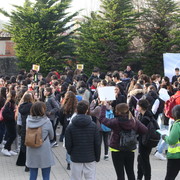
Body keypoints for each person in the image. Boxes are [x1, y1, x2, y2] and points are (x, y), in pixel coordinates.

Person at [99, 102, 147, 180]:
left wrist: (103, 106)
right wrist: (134, 133)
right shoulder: (134, 121)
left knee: (120, 174)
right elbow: (145, 130)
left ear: (117, 112)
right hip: (130, 149)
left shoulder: (115, 122)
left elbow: (102, 119)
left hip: (116, 149)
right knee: (130, 172)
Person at [65, 100, 101, 180]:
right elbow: (97, 143)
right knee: (90, 178)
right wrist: (97, 156)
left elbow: (68, 143)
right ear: (87, 110)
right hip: (90, 157)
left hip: (76, 157)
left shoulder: (70, 126)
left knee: (75, 178)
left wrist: (71, 153)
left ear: (76, 110)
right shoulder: (93, 126)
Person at [26, 102, 55, 180]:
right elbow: (52, 136)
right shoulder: (47, 121)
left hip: (31, 148)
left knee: (32, 174)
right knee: (46, 175)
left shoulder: (28, 121)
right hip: (44, 149)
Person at [137, 99, 154, 180]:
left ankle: (147, 177)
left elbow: (138, 129)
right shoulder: (145, 115)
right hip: (144, 141)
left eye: (138, 105)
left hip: (145, 142)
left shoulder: (146, 118)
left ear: (141, 107)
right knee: (141, 160)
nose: (137, 107)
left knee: (144, 161)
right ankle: (139, 177)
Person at [162, 105, 180, 180]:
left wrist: (164, 137)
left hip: (176, 155)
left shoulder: (177, 125)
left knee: (169, 177)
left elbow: (172, 141)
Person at [1, 90, 17, 156]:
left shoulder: (11, 102)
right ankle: (5, 148)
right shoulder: (9, 103)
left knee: (11, 135)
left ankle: (8, 149)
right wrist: (12, 116)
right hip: (9, 121)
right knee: (13, 135)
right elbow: (4, 113)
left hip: (10, 121)